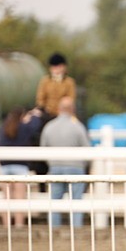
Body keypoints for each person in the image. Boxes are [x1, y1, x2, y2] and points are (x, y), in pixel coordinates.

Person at [39, 96, 90, 227]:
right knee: (76, 200)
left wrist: (51, 162)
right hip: (75, 167)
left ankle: (54, 229)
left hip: (55, 167)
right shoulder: (77, 126)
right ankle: (76, 228)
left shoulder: (49, 127)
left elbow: (43, 148)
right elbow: (87, 149)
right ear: (72, 109)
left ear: (59, 109)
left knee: (55, 201)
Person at [0, 107, 45, 226]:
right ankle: (19, 225)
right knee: (19, 198)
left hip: (5, 166)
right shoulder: (24, 127)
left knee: (6, 198)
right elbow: (35, 125)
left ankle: (6, 225)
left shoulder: (4, 128)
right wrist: (34, 115)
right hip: (20, 165)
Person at [36, 52, 77, 120]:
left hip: (64, 113)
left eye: (59, 67)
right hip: (47, 113)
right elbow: (40, 98)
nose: (57, 69)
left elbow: (71, 99)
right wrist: (44, 109)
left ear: (64, 67)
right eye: (54, 67)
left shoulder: (69, 82)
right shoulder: (45, 81)